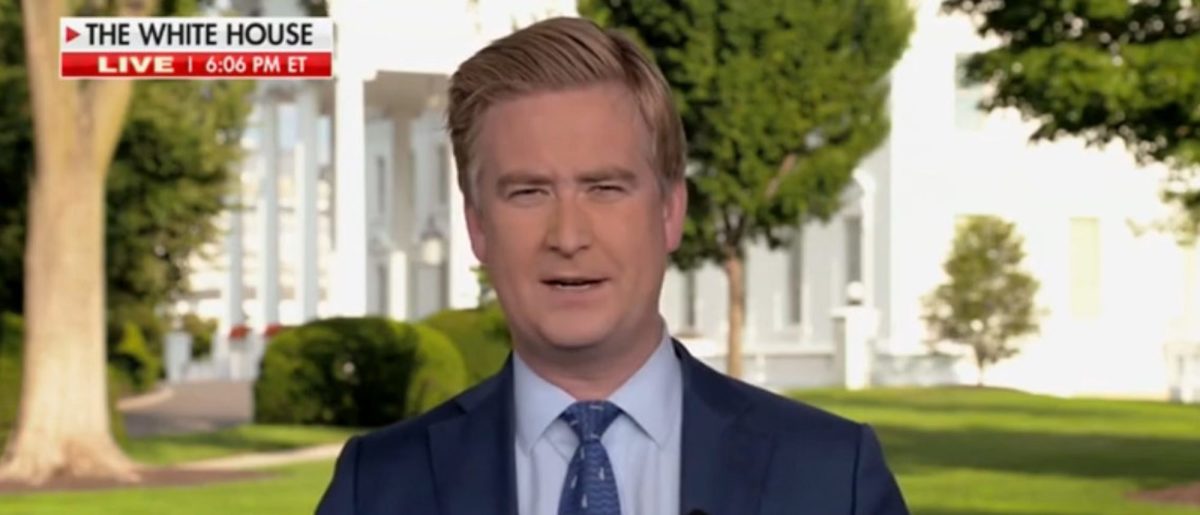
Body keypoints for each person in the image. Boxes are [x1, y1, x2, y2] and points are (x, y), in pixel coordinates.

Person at [316, 16, 908, 515]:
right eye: (528, 192)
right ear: (478, 226)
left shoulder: (832, 478)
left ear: (670, 211)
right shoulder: (378, 487)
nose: (568, 237)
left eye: (604, 188)